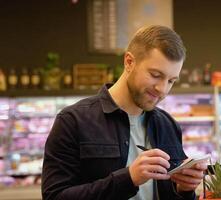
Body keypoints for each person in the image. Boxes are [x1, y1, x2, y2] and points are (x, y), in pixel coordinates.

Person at [41, 25, 207, 200]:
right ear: (129, 62)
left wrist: (184, 190)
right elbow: (54, 196)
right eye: (155, 75)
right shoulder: (73, 121)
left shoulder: (168, 125)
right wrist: (128, 179)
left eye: (171, 81)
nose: (162, 89)